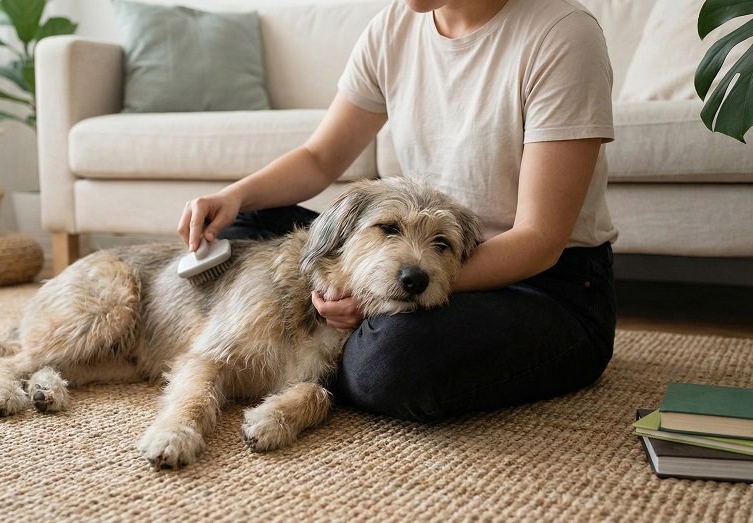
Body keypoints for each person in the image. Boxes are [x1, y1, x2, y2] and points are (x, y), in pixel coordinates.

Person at [177, 0, 617, 422]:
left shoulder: (562, 34)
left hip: (542, 285)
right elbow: (320, 158)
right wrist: (233, 195)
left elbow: (540, 240)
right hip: (407, 252)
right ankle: (290, 353)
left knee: (388, 364)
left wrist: (378, 291)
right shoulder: (393, 27)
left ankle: (304, 361)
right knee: (243, 226)